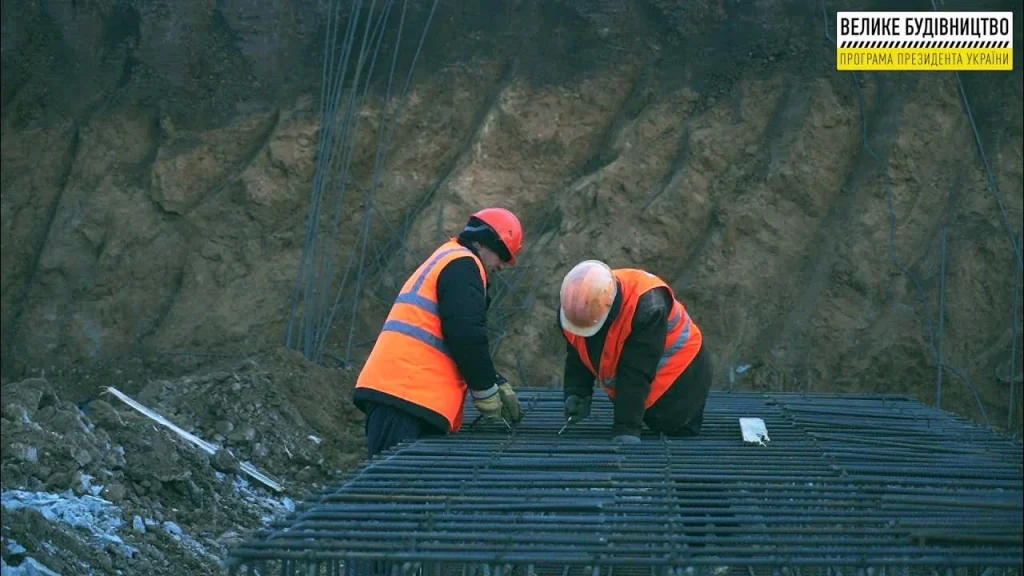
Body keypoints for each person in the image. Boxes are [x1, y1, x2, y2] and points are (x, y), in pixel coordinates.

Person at [353, 207, 526, 458]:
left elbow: (450, 337)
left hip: (402, 395)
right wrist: (486, 391)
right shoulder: (464, 266)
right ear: (483, 243)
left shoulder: (451, 259)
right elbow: (466, 335)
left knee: (398, 491)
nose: (502, 265)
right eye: (502, 255)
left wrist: (494, 379)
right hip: (406, 397)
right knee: (395, 492)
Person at [557, 259, 713, 444]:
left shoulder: (648, 307)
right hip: (639, 387)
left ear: (609, 311)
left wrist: (626, 428)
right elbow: (578, 351)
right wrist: (577, 392)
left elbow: (635, 373)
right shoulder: (577, 308)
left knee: (676, 435)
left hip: (684, 378)